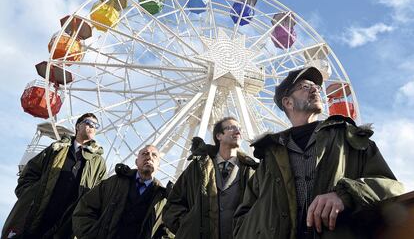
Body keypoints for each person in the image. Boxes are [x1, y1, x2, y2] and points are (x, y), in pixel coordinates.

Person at [233, 67, 405, 239]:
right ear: (288, 102)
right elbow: (244, 215)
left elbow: (391, 186)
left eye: (317, 87)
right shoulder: (269, 156)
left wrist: (344, 195)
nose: (315, 89)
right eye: (305, 87)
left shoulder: (350, 138)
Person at [2, 113, 107, 239]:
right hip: (37, 217)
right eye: (89, 122)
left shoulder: (98, 162)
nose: (93, 127)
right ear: (78, 126)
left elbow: (100, 195)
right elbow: (29, 173)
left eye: (96, 125)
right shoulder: (57, 149)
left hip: (66, 226)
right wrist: (31, 196)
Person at [162, 117, 257, 239]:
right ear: (218, 136)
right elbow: (173, 203)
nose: (238, 131)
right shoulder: (196, 167)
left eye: (239, 129)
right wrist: (188, 226)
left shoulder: (252, 171)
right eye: (231, 128)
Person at [72, 145, 172, 239]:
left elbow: (167, 232)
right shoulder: (113, 182)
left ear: (158, 165)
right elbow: (84, 208)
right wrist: (91, 235)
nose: (149, 157)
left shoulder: (162, 200)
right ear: (136, 161)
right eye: (145, 154)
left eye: (154, 155)